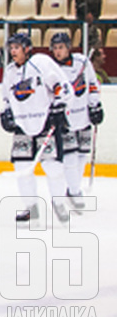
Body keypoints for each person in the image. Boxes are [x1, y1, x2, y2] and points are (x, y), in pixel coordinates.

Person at [0, 32, 69, 225]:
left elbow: (61, 86)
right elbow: (7, 97)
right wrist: (5, 113)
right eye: (11, 48)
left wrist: (60, 104)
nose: (13, 51)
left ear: (27, 48)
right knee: (22, 168)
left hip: (45, 123)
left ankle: (59, 205)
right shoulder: (10, 71)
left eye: (16, 47)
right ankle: (31, 209)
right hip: (22, 125)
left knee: (53, 167)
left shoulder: (41, 63)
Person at [47, 31, 104, 209]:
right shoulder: (51, 69)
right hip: (66, 120)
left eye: (61, 47)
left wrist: (95, 105)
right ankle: (74, 190)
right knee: (70, 157)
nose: (58, 52)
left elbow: (93, 84)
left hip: (84, 116)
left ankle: (73, 188)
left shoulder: (82, 62)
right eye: (55, 48)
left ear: (68, 47)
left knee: (81, 156)